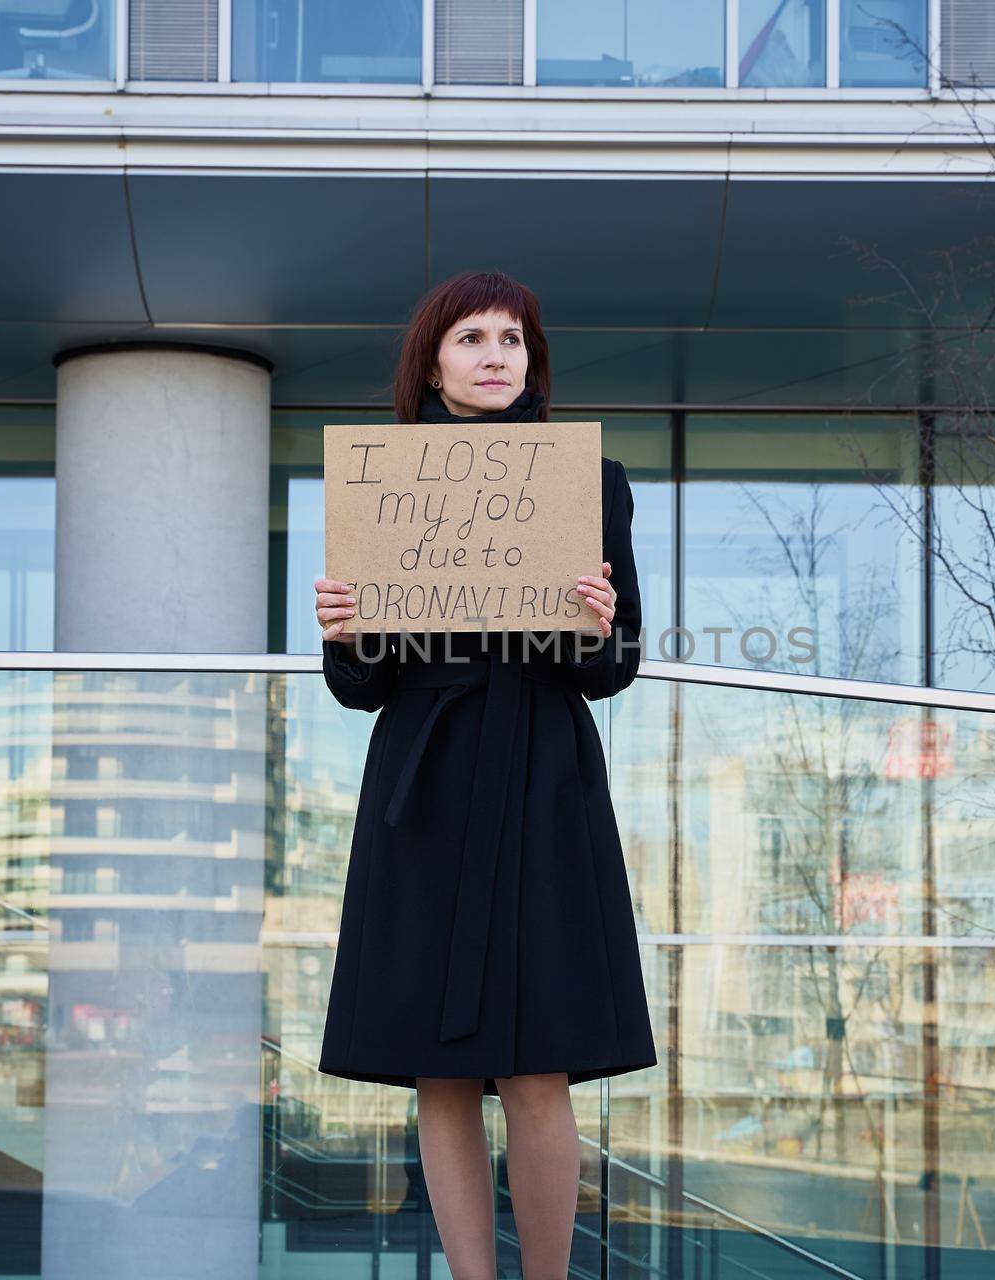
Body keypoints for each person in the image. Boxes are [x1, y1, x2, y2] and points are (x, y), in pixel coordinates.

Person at [312, 269, 657, 1278]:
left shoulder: (593, 480)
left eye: (513, 338)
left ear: (532, 361)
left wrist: (587, 619)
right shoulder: (381, 476)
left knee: (537, 1060)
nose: (496, 354)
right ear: (430, 360)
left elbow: (613, 665)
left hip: (542, 785)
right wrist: (347, 625)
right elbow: (356, 682)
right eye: (471, 337)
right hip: (421, 792)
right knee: (441, 1074)